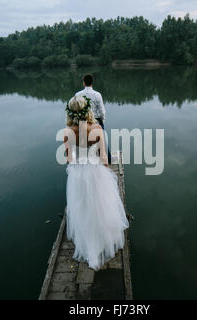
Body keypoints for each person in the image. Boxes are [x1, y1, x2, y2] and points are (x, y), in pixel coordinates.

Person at [63, 95, 129, 271]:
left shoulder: (67, 132)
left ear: (70, 112)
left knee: (83, 208)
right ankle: (104, 239)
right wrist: (104, 172)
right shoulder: (97, 129)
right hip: (95, 171)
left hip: (78, 175)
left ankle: (89, 245)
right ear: (88, 110)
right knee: (101, 206)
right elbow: (104, 159)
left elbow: (69, 159)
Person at [75, 73, 111, 163]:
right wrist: (102, 121)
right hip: (95, 121)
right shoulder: (97, 95)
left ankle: (83, 161)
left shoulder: (78, 94)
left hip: (82, 122)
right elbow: (102, 112)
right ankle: (108, 159)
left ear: (83, 83)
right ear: (92, 83)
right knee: (103, 141)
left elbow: (75, 110)